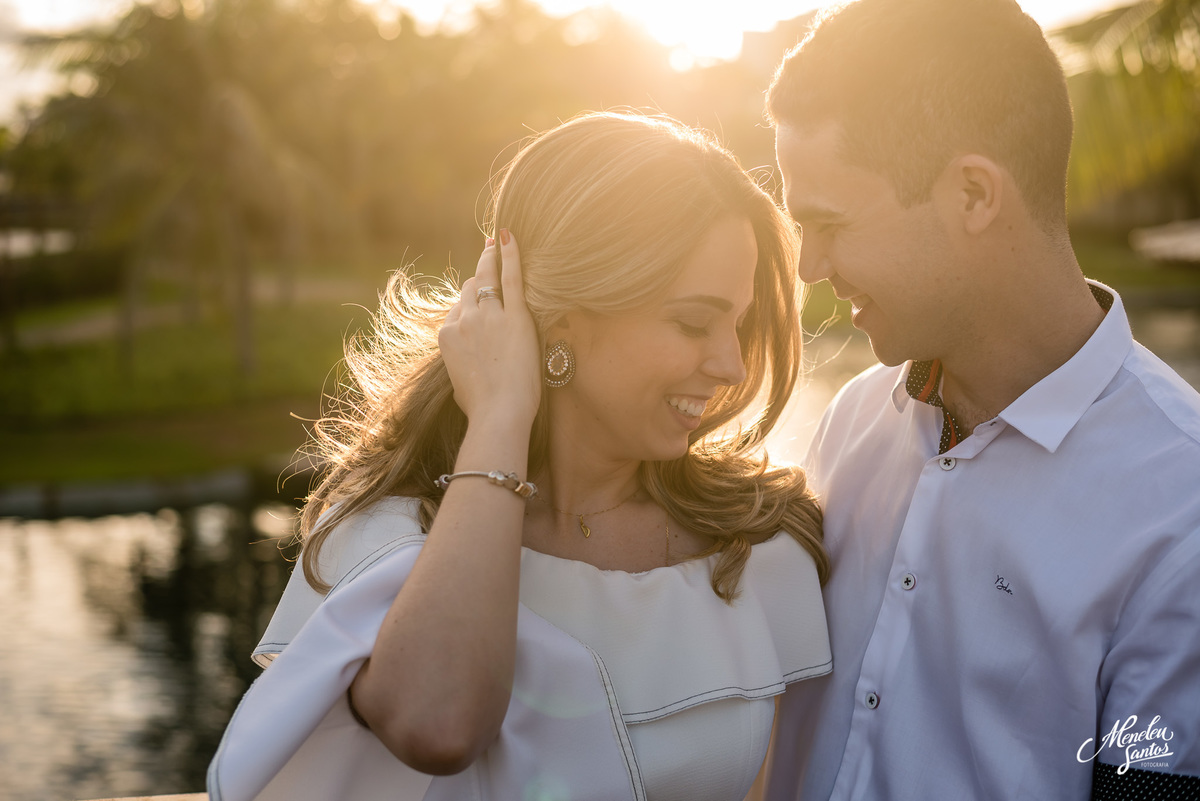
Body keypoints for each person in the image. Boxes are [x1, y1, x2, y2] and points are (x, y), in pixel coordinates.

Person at [207, 111, 833, 801]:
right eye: (693, 321)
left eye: (739, 323)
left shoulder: (754, 545)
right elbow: (438, 727)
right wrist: (501, 419)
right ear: (563, 315)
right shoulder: (387, 533)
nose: (731, 363)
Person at [762, 0, 1200, 799]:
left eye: (828, 222)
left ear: (973, 194)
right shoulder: (852, 420)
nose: (807, 267)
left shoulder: (1183, 508)